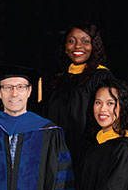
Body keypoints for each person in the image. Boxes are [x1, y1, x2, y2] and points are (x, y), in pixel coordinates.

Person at [43, 21, 111, 173]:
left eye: (85, 41)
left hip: (86, 156)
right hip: (56, 155)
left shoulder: (101, 77)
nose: (78, 46)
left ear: (94, 46)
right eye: (71, 41)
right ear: (65, 47)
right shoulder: (59, 80)